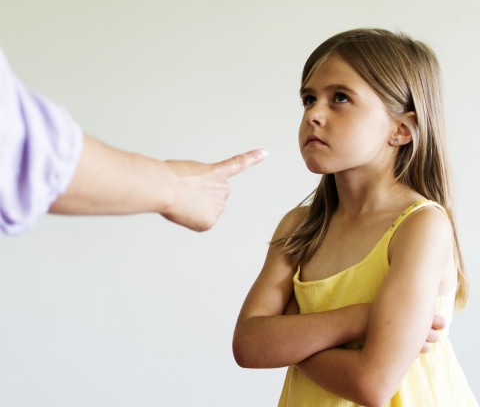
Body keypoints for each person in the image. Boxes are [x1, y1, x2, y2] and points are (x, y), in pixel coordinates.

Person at [232, 29, 478, 406]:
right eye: (308, 99)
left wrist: (290, 337)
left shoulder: (421, 227)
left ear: (401, 129)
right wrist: (362, 318)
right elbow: (248, 346)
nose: (313, 113)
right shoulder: (299, 229)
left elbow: (372, 384)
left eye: (340, 98)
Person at [0, 47, 267, 235]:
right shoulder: (292, 229)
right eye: (307, 100)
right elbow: (17, 145)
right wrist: (175, 187)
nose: (310, 114)